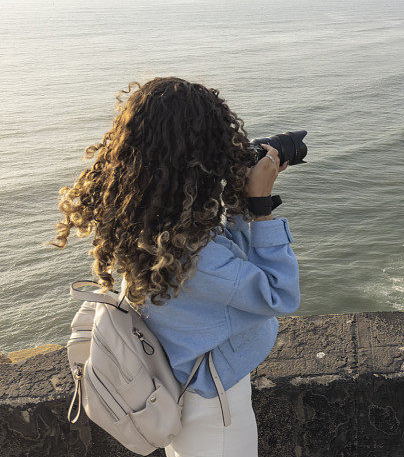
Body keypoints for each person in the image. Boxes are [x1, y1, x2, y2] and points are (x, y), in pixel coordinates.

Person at [51, 77, 301, 457]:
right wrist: (261, 207)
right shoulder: (197, 255)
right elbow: (280, 294)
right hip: (214, 408)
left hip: (178, 382)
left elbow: (229, 265)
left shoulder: (148, 222)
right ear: (202, 157)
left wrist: (239, 202)